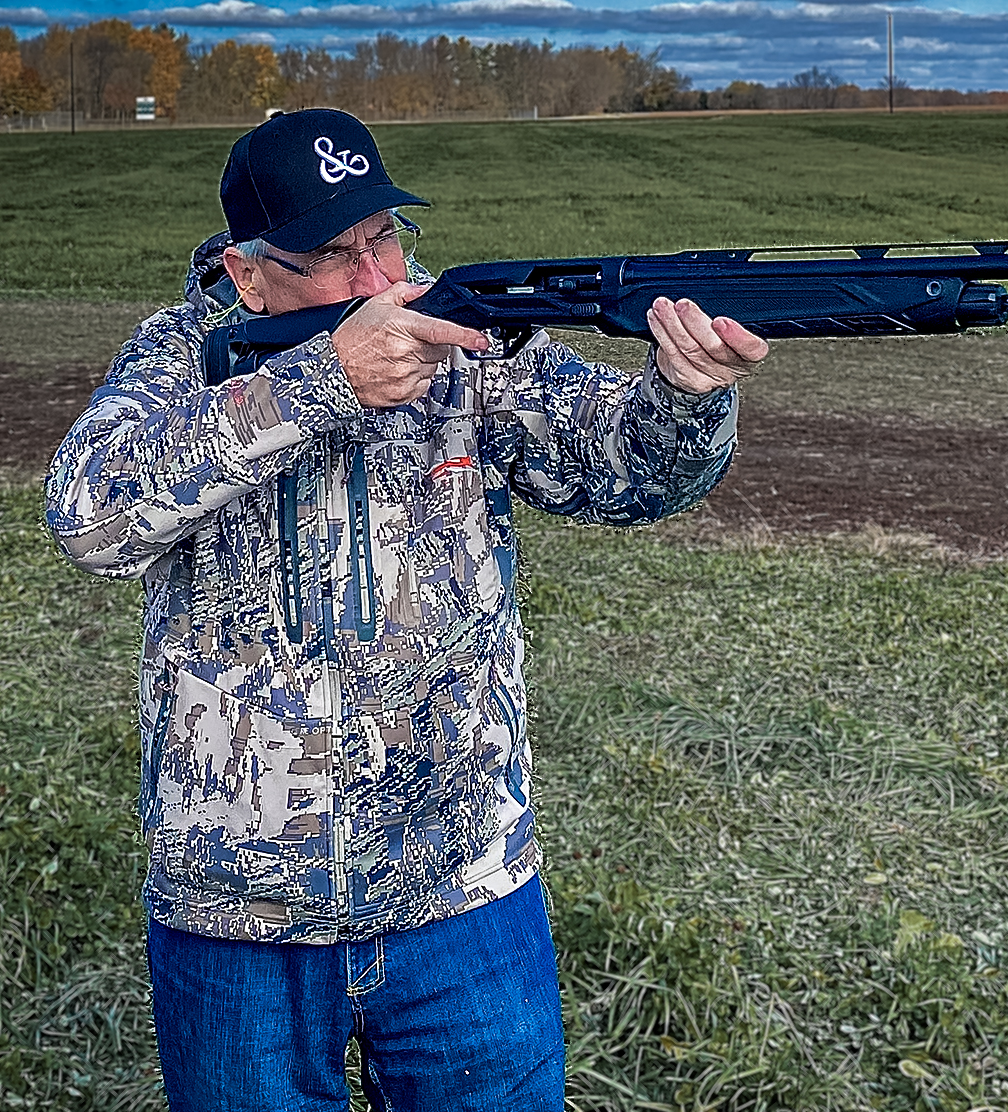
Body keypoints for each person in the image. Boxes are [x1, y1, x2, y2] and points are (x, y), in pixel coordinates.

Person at [44, 108, 766, 1111]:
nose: (377, 277)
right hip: (239, 907)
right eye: (335, 254)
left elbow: (625, 473)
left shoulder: (462, 343)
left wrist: (686, 394)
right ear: (249, 273)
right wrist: (319, 384)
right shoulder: (184, 354)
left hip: (462, 885)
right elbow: (89, 517)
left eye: (384, 234)